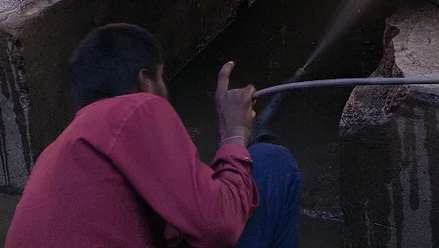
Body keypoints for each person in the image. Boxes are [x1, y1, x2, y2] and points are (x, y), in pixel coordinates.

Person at [6, 23, 300, 248]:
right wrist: (234, 134)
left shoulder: (59, 153)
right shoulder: (138, 108)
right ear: (145, 80)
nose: (163, 91)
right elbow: (218, 225)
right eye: (161, 77)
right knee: (271, 162)